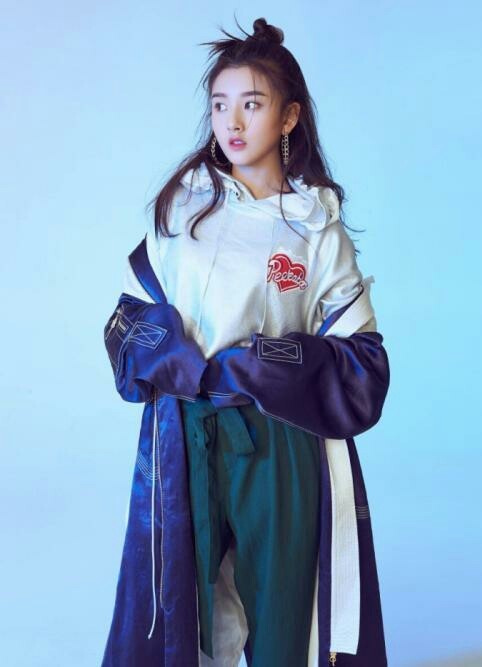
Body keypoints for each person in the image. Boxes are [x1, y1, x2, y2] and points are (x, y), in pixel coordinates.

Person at [101, 16, 390, 667]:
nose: (231, 122)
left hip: (279, 440)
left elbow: (364, 363)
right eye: (220, 105)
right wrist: (179, 363)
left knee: (283, 609)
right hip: (185, 433)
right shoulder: (184, 210)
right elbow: (128, 319)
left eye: (252, 105)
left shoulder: (315, 228)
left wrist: (262, 364)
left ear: (288, 117)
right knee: (185, 607)